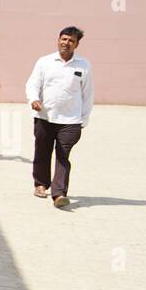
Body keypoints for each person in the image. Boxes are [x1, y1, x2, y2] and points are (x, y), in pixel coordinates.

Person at [26, 26, 93, 207]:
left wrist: (83, 121)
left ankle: (59, 194)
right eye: (63, 39)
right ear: (58, 40)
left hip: (70, 121)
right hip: (44, 117)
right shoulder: (45, 62)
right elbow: (33, 84)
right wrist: (33, 99)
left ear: (77, 44)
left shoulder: (83, 65)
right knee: (42, 151)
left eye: (71, 40)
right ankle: (40, 184)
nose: (66, 43)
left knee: (63, 155)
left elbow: (88, 95)